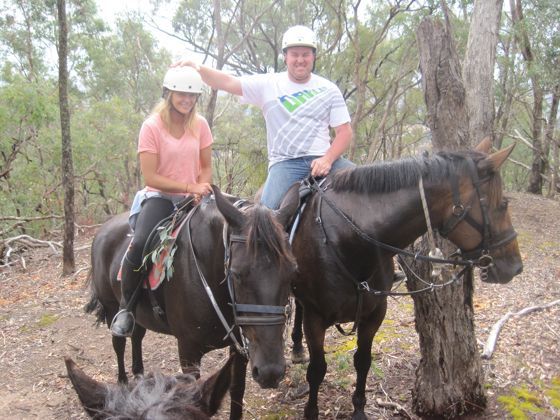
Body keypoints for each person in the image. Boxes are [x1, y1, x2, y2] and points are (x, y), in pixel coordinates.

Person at [173, 25, 354, 209]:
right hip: (286, 164)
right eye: (295, 54)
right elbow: (228, 82)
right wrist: (198, 68)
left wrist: (328, 159)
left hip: (324, 160)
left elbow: (344, 132)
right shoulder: (269, 84)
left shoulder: (328, 89)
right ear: (286, 57)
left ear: (313, 56)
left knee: (372, 191)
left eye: (305, 54)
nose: (300, 59)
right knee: (265, 218)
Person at [110, 66, 213, 337]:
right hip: (160, 198)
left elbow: (205, 165)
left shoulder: (200, 124)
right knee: (142, 242)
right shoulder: (152, 126)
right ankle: (127, 308)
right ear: (168, 93)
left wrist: (200, 187)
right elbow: (151, 176)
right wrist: (189, 186)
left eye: (192, 96)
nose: (187, 100)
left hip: (193, 198)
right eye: (181, 94)